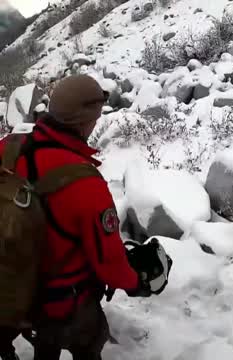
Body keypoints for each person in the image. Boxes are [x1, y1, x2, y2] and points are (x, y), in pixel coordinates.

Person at [0, 75, 153, 360]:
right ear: (86, 121)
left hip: (9, 288)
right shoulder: (85, 184)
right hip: (58, 302)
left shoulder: (8, 147)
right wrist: (136, 284)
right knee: (91, 337)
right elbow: (109, 263)